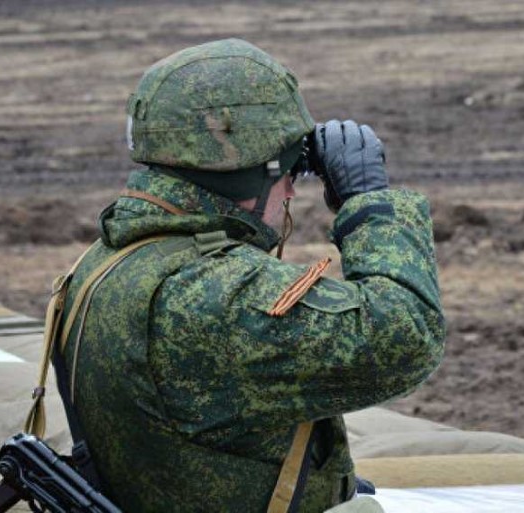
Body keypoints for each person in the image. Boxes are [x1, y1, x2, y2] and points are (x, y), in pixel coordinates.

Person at [55, 38, 445, 513]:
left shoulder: (111, 259)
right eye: (287, 173)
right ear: (246, 174)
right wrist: (367, 204)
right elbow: (406, 335)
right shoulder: (211, 296)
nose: (290, 192)